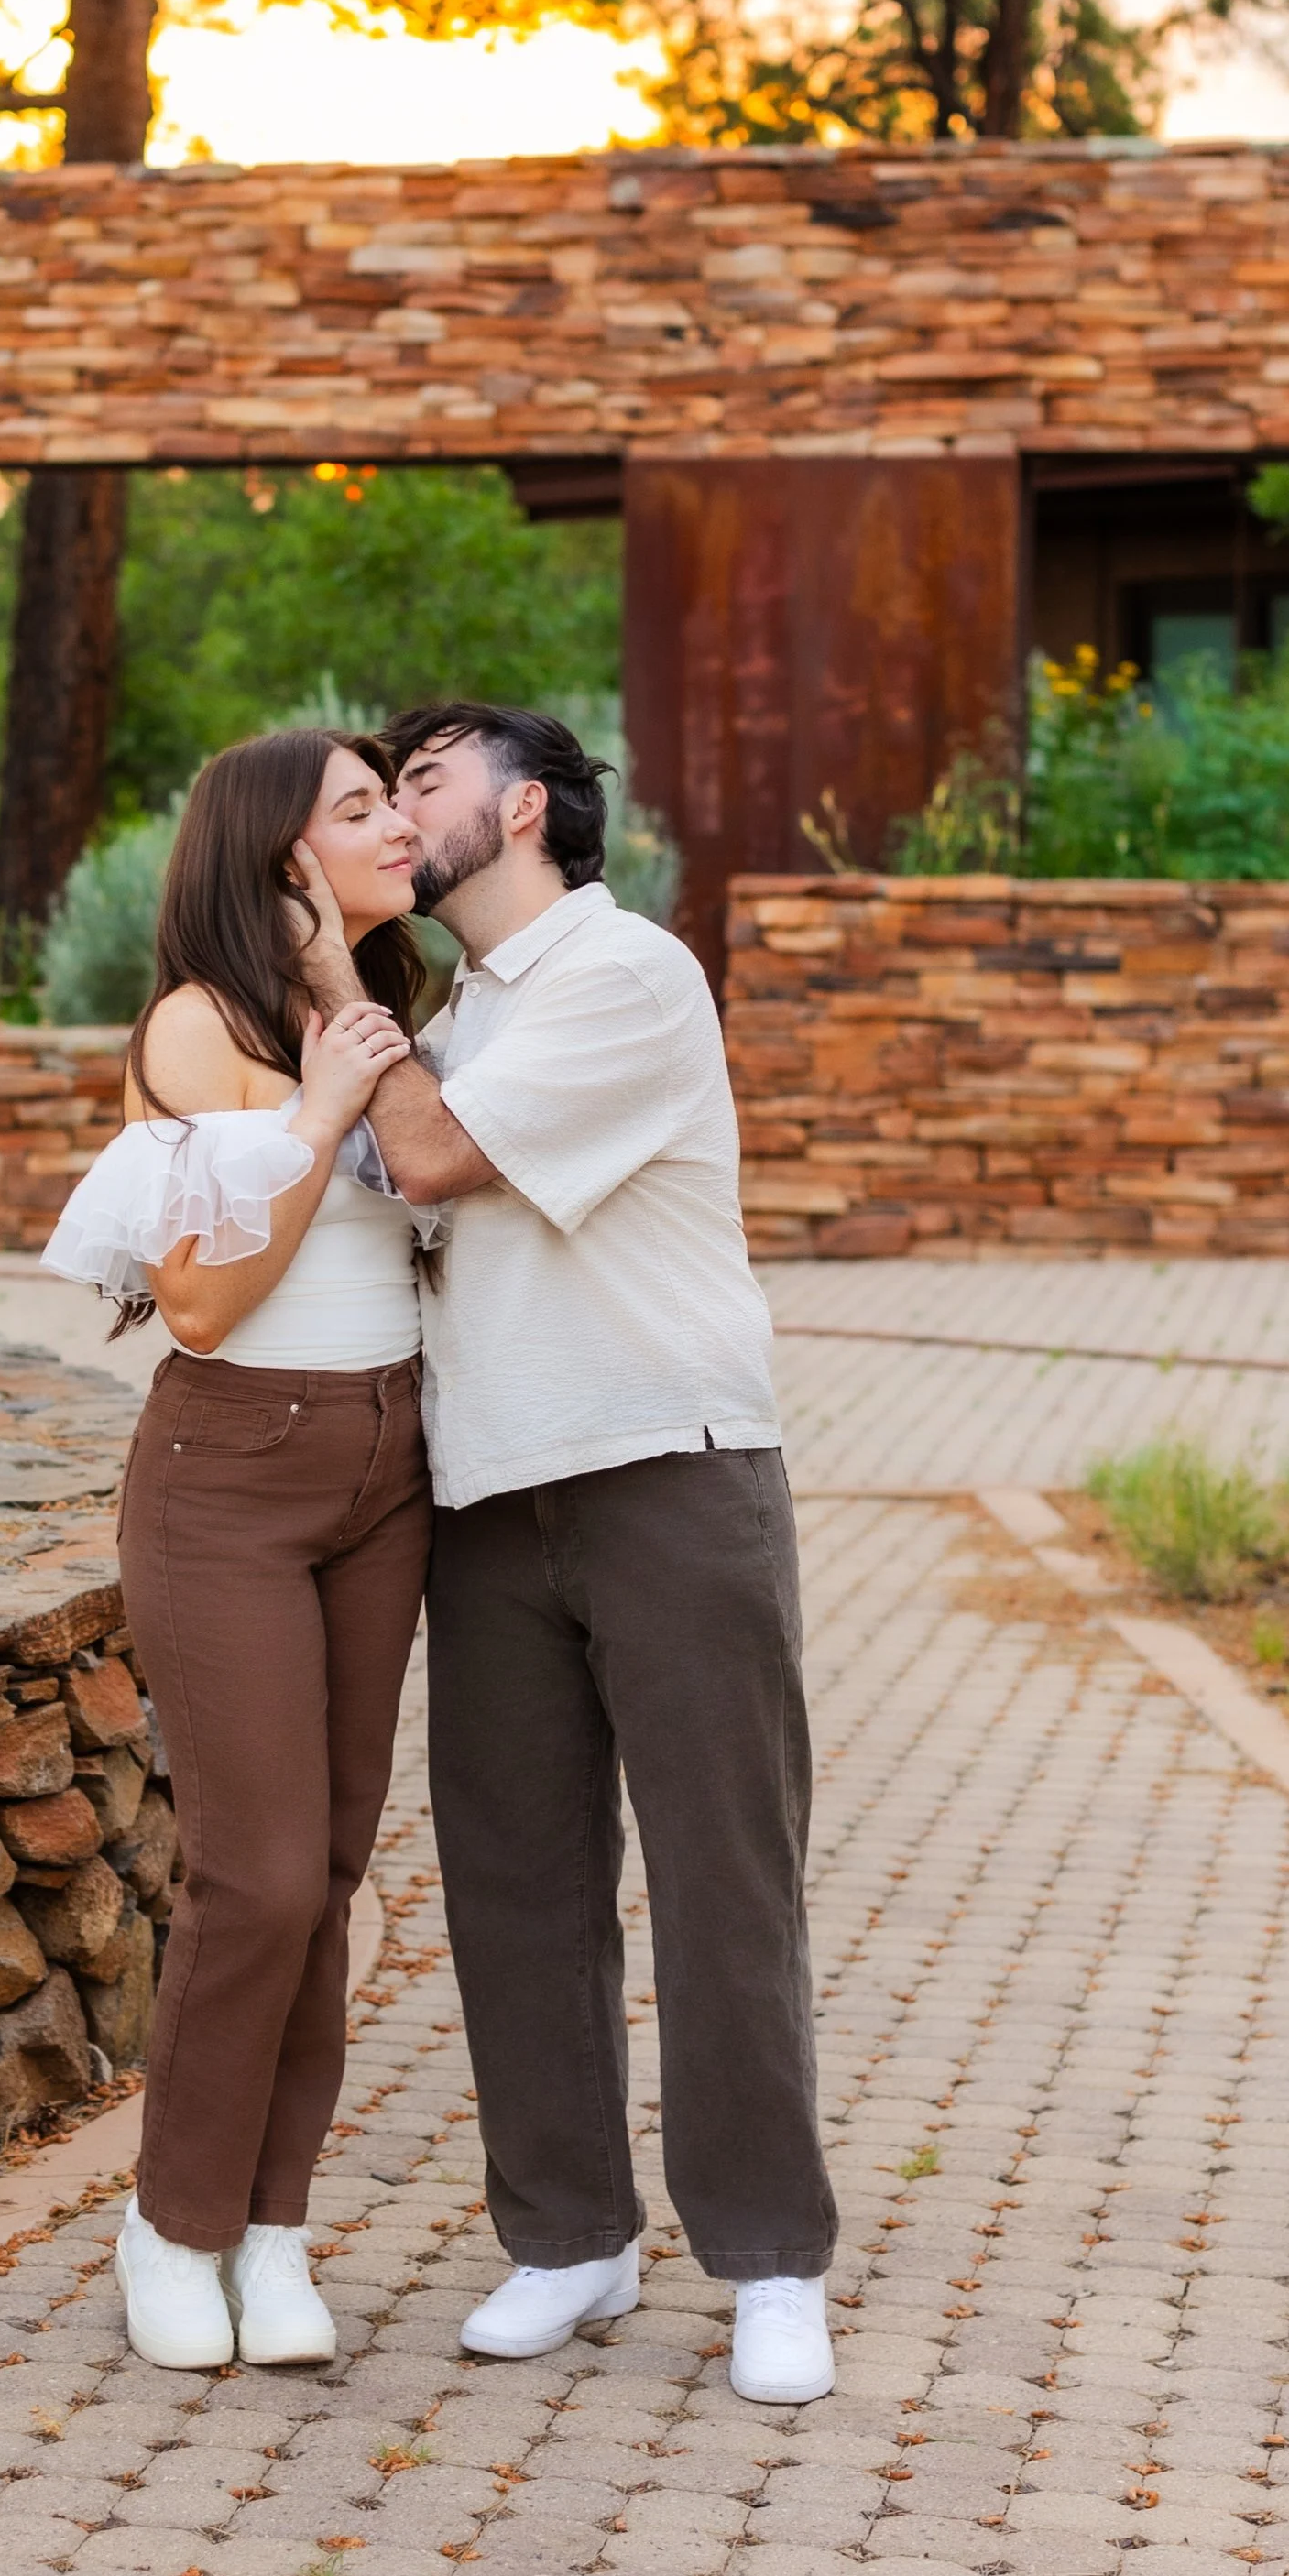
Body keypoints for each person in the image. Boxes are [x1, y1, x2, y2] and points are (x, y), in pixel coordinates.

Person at [289, 703, 838, 2406]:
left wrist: (325, 975)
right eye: (373, 794)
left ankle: (767, 2260)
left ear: (524, 808)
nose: (394, 813)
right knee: (517, 1882)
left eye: (425, 782)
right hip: (491, 1489)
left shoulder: (625, 974)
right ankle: (570, 2238)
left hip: (668, 1469)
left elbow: (437, 1157)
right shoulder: (462, 1012)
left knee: (719, 1877)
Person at [41, 728, 434, 2373]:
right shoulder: (196, 1029)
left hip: (386, 1467)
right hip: (232, 1477)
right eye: (358, 809)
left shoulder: (378, 1005)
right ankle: (171, 2222)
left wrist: (353, 1026)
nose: (397, 822)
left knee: (329, 1875)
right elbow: (199, 1302)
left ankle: (274, 2228)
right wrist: (327, 1098)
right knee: (256, 1874)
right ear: (280, 853)